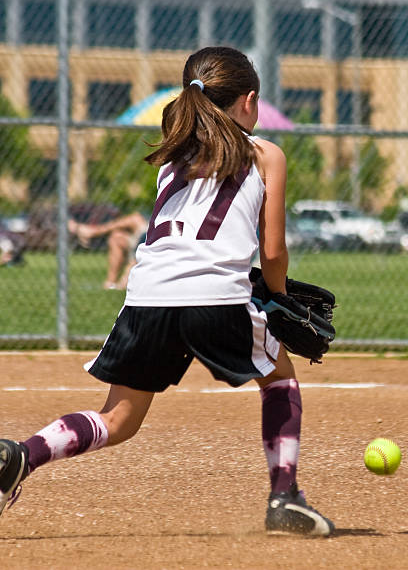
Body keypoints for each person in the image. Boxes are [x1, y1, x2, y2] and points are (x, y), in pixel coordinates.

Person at [0, 46, 334, 537]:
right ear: (249, 100)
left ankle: (20, 456)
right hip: (216, 297)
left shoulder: (172, 159)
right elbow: (274, 252)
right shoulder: (265, 153)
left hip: (146, 297)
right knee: (278, 378)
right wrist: (278, 297)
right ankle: (285, 498)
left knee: (118, 420)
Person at [68, 212, 148, 290]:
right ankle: (110, 284)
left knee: (135, 219)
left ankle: (92, 232)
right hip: (143, 238)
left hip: (150, 245)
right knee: (117, 237)